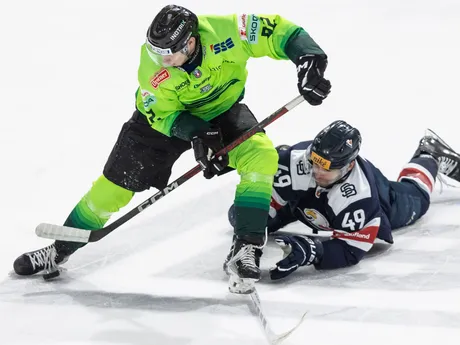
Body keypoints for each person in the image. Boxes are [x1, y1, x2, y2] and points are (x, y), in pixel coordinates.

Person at [13, 5, 331, 291]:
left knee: (261, 155)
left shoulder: (228, 31)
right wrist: (195, 135)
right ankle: (59, 249)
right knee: (113, 189)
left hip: (222, 112)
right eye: (157, 52)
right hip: (166, 123)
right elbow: (158, 112)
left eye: (169, 53)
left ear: (190, 42)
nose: (162, 60)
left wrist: (309, 60)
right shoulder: (154, 68)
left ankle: (246, 247)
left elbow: (278, 30)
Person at [227, 120, 460, 280]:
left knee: (417, 197)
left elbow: (352, 249)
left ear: (349, 165)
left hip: (381, 198)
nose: (317, 170)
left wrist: (314, 250)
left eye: (327, 167)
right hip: (302, 201)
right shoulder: (296, 161)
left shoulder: (359, 197)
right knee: (239, 216)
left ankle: (429, 154)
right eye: (315, 160)